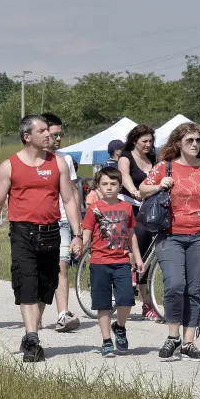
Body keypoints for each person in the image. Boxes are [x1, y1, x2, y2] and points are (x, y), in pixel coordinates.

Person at [0, 115, 83, 363]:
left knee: (45, 287)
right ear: (27, 137)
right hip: (22, 232)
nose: (49, 134)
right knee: (26, 284)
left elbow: (70, 200)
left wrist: (77, 234)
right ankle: (32, 337)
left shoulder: (58, 163)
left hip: (51, 231)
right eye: (42, 131)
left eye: (49, 131)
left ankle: (32, 332)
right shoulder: (9, 166)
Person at [141, 123, 200, 362]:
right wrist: (158, 185)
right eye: (189, 140)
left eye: (198, 140)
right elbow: (142, 190)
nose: (195, 144)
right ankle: (172, 336)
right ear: (178, 143)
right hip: (170, 235)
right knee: (174, 285)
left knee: (194, 289)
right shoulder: (165, 166)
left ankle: (189, 341)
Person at [82, 167, 144, 357]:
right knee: (103, 304)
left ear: (119, 186)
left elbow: (131, 234)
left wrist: (138, 257)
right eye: (105, 184)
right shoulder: (94, 208)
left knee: (126, 299)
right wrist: (80, 245)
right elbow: (86, 231)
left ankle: (120, 326)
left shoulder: (126, 208)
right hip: (99, 262)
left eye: (113, 184)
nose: (109, 188)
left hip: (122, 261)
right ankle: (107, 340)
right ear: (98, 187)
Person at [41, 112, 82, 333]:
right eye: (54, 135)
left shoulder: (65, 159)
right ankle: (34, 314)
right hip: (38, 223)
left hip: (63, 221)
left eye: (60, 134)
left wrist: (79, 227)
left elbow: (73, 194)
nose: (58, 139)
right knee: (41, 271)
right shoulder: (31, 159)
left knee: (61, 266)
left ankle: (62, 315)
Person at [117, 124, 158, 320]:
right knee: (138, 239)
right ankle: (131, 273)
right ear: (135, 141)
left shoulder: (154, 158)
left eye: (150, 141)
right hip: (130, 204)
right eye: (144, 141)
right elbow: (124, 176)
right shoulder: (126, 156)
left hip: (150, 207)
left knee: (149, 256)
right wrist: (134, 191)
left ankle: (147, 303)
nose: (148, 145)